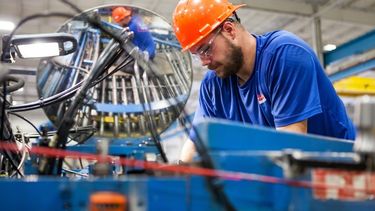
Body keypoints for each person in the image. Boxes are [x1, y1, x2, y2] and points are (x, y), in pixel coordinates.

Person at [172, 0, 356, 163]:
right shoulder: (213, 86)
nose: (204, 62)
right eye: (196, 55)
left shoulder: (285, 55)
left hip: (340, 170)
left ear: (229, 30)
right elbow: (195, 144)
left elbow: (290, 147)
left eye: (205, 49)